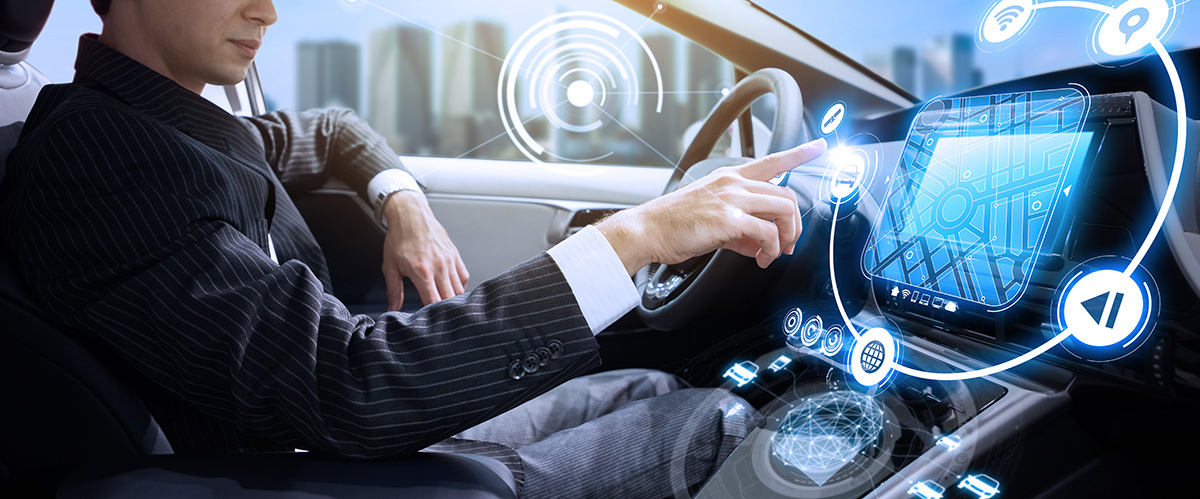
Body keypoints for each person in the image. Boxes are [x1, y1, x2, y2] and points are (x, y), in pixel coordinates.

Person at [0, 0, 827, 497]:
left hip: (329, 436)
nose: (270, 9)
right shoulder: (104, 155)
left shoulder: (171, 121)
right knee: (717, 419)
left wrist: (404, 201)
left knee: (644, 380)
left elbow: (328, 131)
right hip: (314, 470)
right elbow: (348, 385)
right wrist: (639, 233)